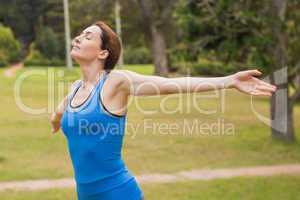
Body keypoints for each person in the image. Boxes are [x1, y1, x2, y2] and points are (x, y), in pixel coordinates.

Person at [50, 20, 276, 200]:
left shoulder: (116, 82)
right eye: (80, 34)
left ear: (102, 53)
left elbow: (170, 85)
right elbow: (61, 111)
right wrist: (56, 119)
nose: (78, 38)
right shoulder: (75, 89)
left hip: (117, 193)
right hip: (86, 195)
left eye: (88, 36)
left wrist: (229, 81)